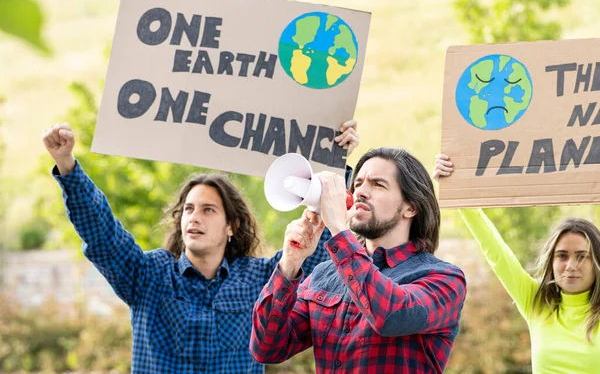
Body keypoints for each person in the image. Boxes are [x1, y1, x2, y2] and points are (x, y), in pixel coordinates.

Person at [41, 120, 359, 374]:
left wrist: (335, 163)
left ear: (232, 226)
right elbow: (102, 234)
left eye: (208, 210)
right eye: (189, 209)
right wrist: (67, 165)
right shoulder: (147, 275)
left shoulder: (261, 278)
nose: (194, 217)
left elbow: (320, 248)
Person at [250, 147, 467, 374]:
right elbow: (267, 348)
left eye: (378, 184)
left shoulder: (444, 278)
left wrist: (338, 229)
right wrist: (290, 264)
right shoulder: (325, 274)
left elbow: (391, 316)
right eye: (358, 183)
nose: (361, 192)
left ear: (410, 207)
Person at [433, 153, 600, 374]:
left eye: (581, 256)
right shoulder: (536, 302)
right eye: (562, 255)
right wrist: (457, 186)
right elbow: (494, 249)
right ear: (551, 261)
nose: (570, 265)